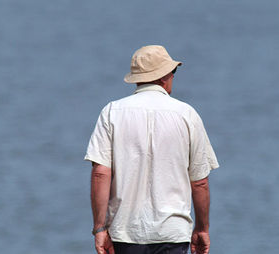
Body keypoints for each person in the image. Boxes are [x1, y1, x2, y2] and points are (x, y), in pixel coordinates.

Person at [84, 45, 219, 254]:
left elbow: (101, 173)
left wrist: (99, 228)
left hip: (125, 234)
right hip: (172, 233)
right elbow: (200, 182)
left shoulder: (112, 112)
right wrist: (202, 229)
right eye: (173, 72)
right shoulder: (187, 115)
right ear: (164, 76)